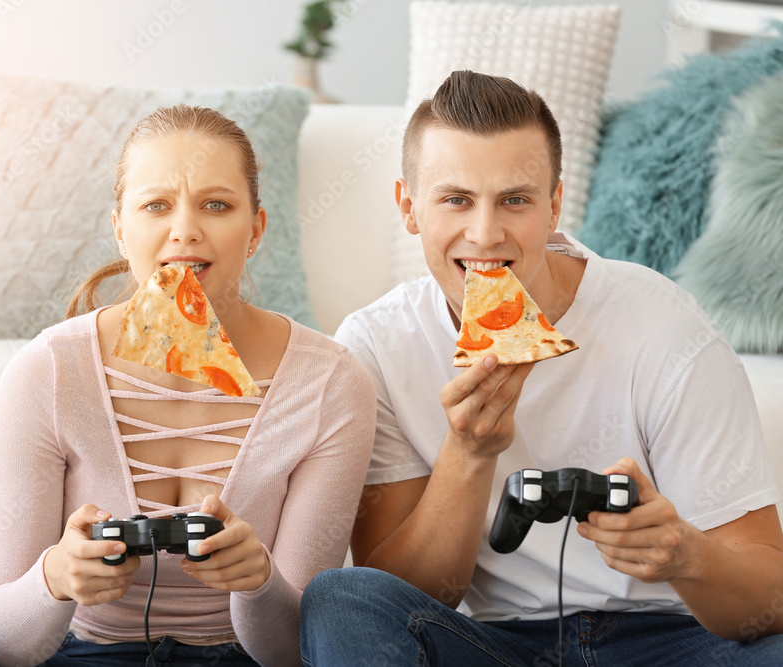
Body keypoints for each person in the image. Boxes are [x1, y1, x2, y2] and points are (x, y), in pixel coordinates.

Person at [0, 105, 375, 667]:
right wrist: (55, 579)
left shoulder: (331, 383)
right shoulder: (48, 370)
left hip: (244, 658)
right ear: (120, 229)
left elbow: (294, 653)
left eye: (216, 205)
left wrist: (259, 583)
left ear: (256, 230)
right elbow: (5, 645)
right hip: (77, 654)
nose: (185, 231)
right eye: (156, 205)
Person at [298, 71, 783, 666]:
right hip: (499, 646)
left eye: (515, 200)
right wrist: (468, 454)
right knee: (342, 600)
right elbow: (408, 597)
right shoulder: (376, 344)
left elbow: (772, 597)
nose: (485, 235)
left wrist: (687, 555)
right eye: (456, 200)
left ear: (554, 206)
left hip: (673, 642)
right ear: (409, 207)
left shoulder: (664, 325)